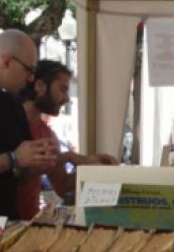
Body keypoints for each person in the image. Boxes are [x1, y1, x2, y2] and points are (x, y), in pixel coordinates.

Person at [0, 29, 58, 218]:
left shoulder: (13, 106)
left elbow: (18, 175)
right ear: (6, 61)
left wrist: (38, 166)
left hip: (7, 222)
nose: (31, 79)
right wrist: (12, 158)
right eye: (29, 70)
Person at [16, 60, 118, 220]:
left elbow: (62, 186)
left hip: (28, 222)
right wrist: (70, 157)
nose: (66, 98)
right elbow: (15, 176)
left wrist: (93, 169)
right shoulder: (10, 123)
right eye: (62, 89)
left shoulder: (47, 134)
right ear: (40, 86)